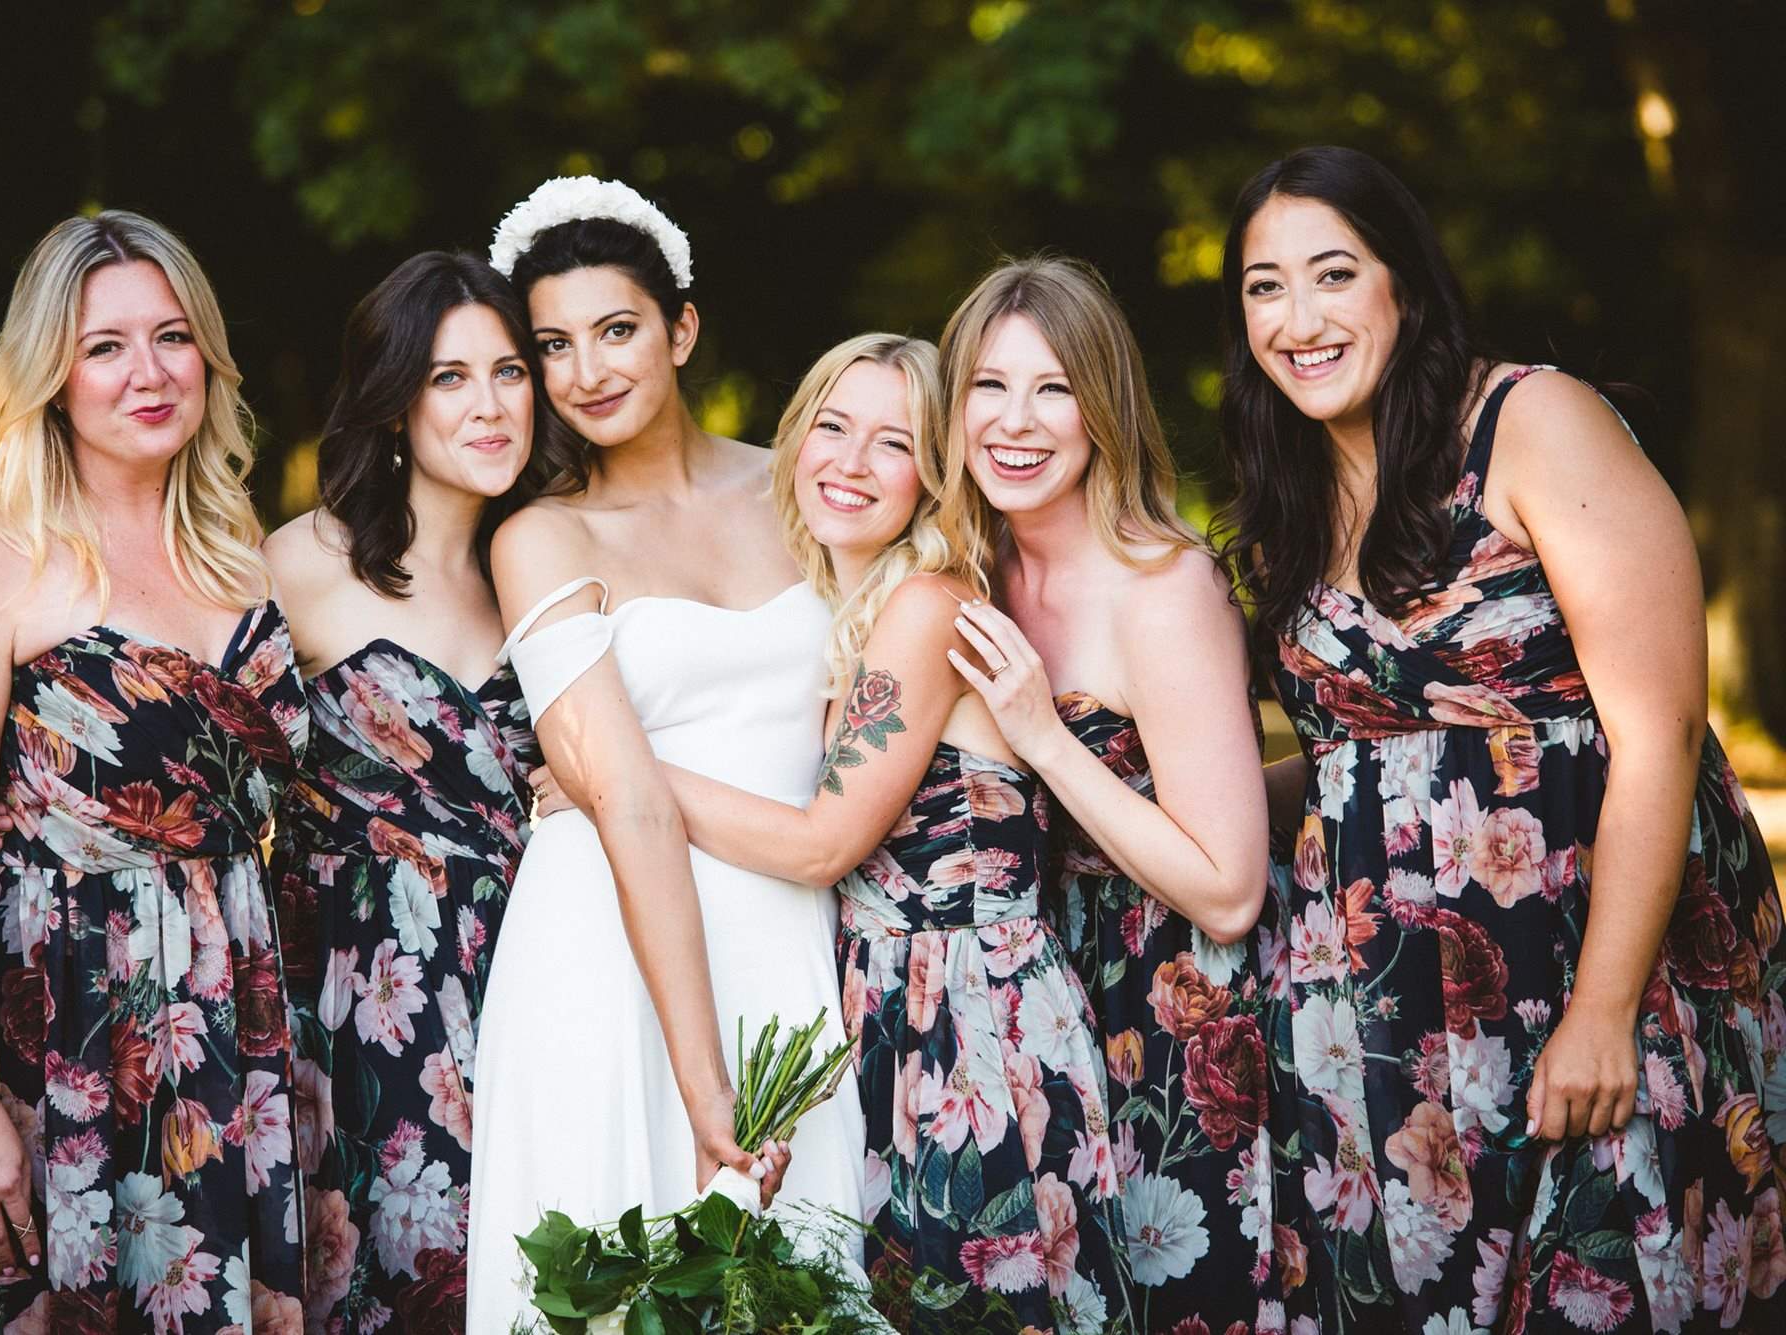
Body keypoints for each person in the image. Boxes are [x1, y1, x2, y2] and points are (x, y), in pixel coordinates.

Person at [1220, 144, 1786, 1331]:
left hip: (1588, 965)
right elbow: (1352, 768)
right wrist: (1131, 799)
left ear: (1404, 282)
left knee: (1607, 1286)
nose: (1298, 319)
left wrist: (1601, 1011)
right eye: (1264, 286)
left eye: (1332, 274)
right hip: (1382, 1018)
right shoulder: (1290, 496)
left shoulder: (1530, 422)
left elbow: (1658, 731)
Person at [539, 331, 1128, 1334]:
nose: (851, 462)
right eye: (832, 426)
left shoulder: (926, 606)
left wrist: (614, 774)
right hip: (894, 1014)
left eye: (893, 443)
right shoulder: (845, 613)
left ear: (935, 472)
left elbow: (823, 844)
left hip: (973, 1026)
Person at [0, 211, 308, 1329]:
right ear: (50, 379)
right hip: (53, 1020)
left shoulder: (242, 554)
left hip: (223, 1016)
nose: (148, 372)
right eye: (105, 346)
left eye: (172, 336)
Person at [462, 178, 864, 1329]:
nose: (586, 371)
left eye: (616, 330)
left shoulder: (800, 488)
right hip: (605, 947)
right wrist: (703, 1084)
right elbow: (627, 801)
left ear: (680, 329)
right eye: (552, 346)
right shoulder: (542, 537)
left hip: (789, 925)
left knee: (799, 1277)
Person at [936, 255, 1309, 1332]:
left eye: (1052, 388)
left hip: (1170, 1008)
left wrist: (1044, 740)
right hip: (1024, 1007)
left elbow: (1228, 890)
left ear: (1102, 410)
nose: (1015, 421)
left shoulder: (1163, 586)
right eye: (988, 385)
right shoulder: (965, 566)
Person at [263, 250, 564, 1330]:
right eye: (449, 377)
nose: (490, 405)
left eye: (509, 372)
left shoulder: (551, 566)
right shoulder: (302, 565)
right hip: (360, 1006)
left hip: (537, 981)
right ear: (394, 401)